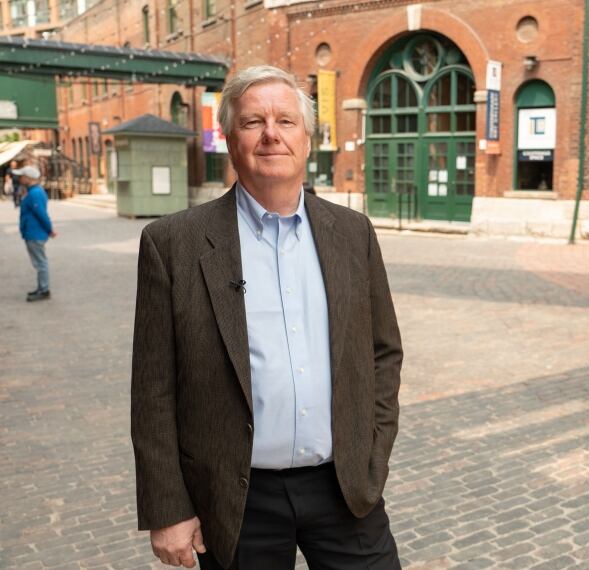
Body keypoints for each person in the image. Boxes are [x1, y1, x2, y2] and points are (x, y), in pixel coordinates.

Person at [131, 65, 403, 570]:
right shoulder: (173, 244)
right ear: (230, 140)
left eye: (286, 121)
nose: (272, 134)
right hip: (235, 497)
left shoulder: (353, 233)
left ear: (307, 139)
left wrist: (373, 454)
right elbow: (152, 388)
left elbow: (383, 352)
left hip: (345, 489)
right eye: (254, 122)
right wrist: (168, 507)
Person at [16, 165, 56, 302]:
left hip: (35, 232)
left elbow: (41, 214)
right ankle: (41, 288)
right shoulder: (33, 191)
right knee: (39, 262)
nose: (20, 178)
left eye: (22, 176)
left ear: (29, 178)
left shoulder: (35, 193)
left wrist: (50, 229)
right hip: (33, 231)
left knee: (40, 263)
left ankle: (44, 290)